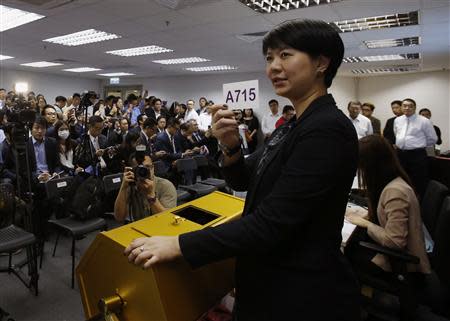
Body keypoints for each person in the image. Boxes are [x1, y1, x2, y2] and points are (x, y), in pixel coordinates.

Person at [124, 19, 360, 320]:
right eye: (269, 58)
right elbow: (245, 179)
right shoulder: (292, 126)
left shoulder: (326, 129)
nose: (273, 66)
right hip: (268, 280)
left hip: (298, 293)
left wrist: (180, 244)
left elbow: (270, 224)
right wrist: (231, 145)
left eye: (285, 55)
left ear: (321, 62)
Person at [345, 135, 430, 276]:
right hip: (394, 255)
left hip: (401, 264)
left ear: (372, 165)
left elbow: (395, 242)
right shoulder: (393, 182)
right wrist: (366, 217)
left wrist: (366, 224)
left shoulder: (395, 191)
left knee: (345, 254)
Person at [394, 98, 437, 199]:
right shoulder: (397, 120)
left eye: (410, 106)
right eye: (404, 105)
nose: (407, 108)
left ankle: (419, 205)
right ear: (401, 107)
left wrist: (418, 144)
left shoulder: (424, 121)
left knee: (418, 181)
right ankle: (402, 200)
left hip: (417, 155)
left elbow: (432, 139)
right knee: (401, 179)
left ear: (415, 108)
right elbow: (397, 134)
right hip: (400, 154)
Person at [114, 153, 177, 222]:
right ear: (132, 170)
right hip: (140, 228)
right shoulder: (130, 186)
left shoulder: (166, 186)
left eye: (147, 167)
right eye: (139, 168)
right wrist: (123, 187)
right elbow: (119, 218)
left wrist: (151, 195)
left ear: (153, 167)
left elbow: (167, 219)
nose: (144, 171)